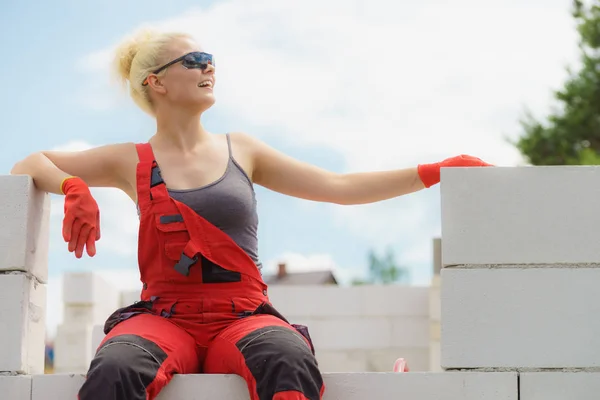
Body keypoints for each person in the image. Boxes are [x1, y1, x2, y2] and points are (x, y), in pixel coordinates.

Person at [10, 28, 493, 400]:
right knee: (117, 366)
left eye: (212, 61)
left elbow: (339, 187)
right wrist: (72, 187)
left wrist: (432, 171)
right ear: (156, 81)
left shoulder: (242, 150)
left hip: (241, 316)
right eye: (196, 61)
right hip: (164, 317)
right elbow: (30, 163)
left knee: (287, 358)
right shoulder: (129, 159)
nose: (210, 68)